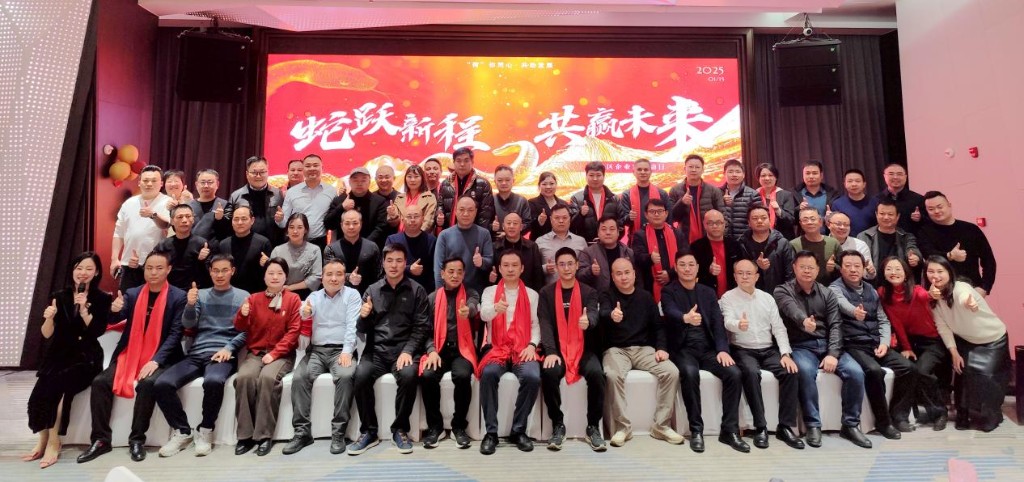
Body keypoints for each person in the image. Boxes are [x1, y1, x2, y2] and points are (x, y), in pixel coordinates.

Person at [78, 251, 186, 463]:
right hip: (130, 352)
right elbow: (115, 318)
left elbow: (175, 334)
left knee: (147, 384)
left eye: (159, 268)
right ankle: (100, 440)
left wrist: (156, 360)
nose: (153, 272)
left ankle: (137, 440)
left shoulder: (178, 297)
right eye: (149, 268)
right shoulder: (133, 293)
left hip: (162, 356)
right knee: (100, 382)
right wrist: (114, 309)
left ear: (168, 270)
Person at [153, 254, 248, 457]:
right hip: (197, 352)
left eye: (224, 270)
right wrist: (189, 304)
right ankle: (182, 431)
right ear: (210, 272)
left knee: (213, 381)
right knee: (162, 384)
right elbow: (188, 324)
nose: (220, 275)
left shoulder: (243, 296)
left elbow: (248, 330)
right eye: (216, 271)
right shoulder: (201, 295)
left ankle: (205, 429)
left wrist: (229, 348)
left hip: (223, 354)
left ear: (232, 271)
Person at [773, 251, 870, 449]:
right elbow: (791, 309)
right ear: (794, 268)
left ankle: (850, 425)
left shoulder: (827, 293)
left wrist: (832, 354)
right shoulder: (782, 291)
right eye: (803, 267)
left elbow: (836, 325)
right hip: (801, 345)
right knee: (805, 372)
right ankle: (813, 425)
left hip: (827, 344)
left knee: (855, 372)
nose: (807, 271)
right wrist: (803, 321)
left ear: (818, 270)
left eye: (811, 267)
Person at [25, 252, 112, 468]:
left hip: (86, 356)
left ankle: (54, 441)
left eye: (89, 269)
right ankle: (43, 438)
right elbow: (47, 334)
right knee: (40, 390)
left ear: (96, 272)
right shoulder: (59, 296)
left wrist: (84, 311)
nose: (83, 273)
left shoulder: (102, 298)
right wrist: (48, 318)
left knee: (58, 387)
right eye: (79, 268)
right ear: (72, 270)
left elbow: (97, 331)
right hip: (59, 354)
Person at [348, 244, 430, 455]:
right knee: (360, 376)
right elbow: (361, 329)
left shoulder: (417, 290)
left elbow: (422, 327)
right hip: (376, 350)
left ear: (405, 263)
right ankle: (369, 431)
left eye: (399, 261)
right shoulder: (372, 290)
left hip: (404, 350)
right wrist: (364, 316)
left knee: (409, 375)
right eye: (390, 260)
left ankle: (400, 429)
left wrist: (408, 351)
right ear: (383, 263)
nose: (394, 265)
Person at [662, 252, 746, 453]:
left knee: (734, 373)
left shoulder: (707, 292)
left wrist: (722, 349)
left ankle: (729, 430)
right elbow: (669, 310)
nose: (687, 268)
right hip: (683, 348)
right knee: (690, 374)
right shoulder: (669, 290)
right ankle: (696, 430)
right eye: (683, 264)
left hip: (708, 348)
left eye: (691, 264)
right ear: (676, 267)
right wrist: (685, 318)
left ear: (698, 267)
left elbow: (717, 322)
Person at [719, 259, 804, 450]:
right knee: (750, 373)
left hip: (768, 349)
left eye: (749, 273)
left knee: (791, 371)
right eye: (740, 273)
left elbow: (779, 328)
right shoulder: (728, 297)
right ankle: (761, 427)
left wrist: (785, 354)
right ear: (734, 276)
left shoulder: (767, 298)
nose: (744, 277)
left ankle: (785, 427)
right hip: (742, 348)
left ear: (757, 276)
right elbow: (727, 321)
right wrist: (737, 325)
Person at [829, 250, 914, 439]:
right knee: (874, 371)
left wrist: (884, 343)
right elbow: (841, 303)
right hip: (853, 344)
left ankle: (898, 415)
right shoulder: (835, 288)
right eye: (848, 266)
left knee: (908, 368)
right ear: (840, 269)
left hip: (875, 343)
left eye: (857, 266)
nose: (853, 270)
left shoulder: (871, 290)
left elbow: (883, 320)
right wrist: (854, 312)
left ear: (863, 268)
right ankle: (883, 423)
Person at [282, 258, 361, 455]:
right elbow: (305, 314)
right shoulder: (314, 296)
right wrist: (305, 313)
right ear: (322, 277)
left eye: (339, 274)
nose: (334, 278)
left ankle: (338, 432)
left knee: (345, 376)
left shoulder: (352, 295)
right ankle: (302, 433)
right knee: (299, 378)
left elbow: (352, 326)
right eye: (329, 274)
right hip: (316, 351)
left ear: (345, 277)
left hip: (341, 350)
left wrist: (347, 351)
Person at [599, 258, 681, 448]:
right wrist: (611, 315)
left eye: (627, 272)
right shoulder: (607, 295)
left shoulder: (645, 297)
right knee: (612, 375)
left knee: (671, 371)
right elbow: (603, 312)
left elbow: (658, 326)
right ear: (612, 277)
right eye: (618, 273)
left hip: (644, 349)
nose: (624, 277)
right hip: (617, 350)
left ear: (634, 274)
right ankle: (622, 428)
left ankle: (661, 426)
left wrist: (661, 348)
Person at [926, 256, 1009, 432]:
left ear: (949, 272)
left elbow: (966, 297)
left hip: (993, 339)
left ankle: (991, 415)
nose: (935, 275)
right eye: (931, 271)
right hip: (967, 340)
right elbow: (943, 327)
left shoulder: (961, 287)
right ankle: (962, 414)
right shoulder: (934, 298)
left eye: (940, 271)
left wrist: (970, 303)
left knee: (987, 378)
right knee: (962, 374)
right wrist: (954, 353)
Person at [538, 247, 606, 452]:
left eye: (570, 264)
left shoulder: (589, 292)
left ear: (577, 266)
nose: (566, 268)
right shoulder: (546, 293)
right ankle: (558, 425)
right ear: (556, 267)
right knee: (549, 372)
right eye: (562, 264)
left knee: (597, 374)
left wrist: (588, 321)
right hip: (557, 348)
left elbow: (593, 313)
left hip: (583, 348)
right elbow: (545, 323)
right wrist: (550, 351)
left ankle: (593, 426)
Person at [232, 258, 301, 456]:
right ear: (264, 277)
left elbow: (294, 332)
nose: (275, 277)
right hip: (255, 353)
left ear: (286, 277)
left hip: (282, 355)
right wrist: (243, 314)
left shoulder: (293, 299)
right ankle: (244, 436)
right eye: (271, 273)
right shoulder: (254, 299)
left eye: (279, 273)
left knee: (268, 379)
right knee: (244, 378)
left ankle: (264, 435)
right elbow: (239, 327)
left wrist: (275, 353)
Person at [478, 250, 541, 455]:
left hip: (523, 348)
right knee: (488, 375)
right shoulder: (490, 292)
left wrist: (532, 345)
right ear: (499, 268)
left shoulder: (532, 294)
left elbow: (535, 325)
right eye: (506, 265)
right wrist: (496, 309)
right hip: (497, 348)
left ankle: (518, 430)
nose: (510, 269)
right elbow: (483, 315)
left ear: (522, 268)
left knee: (532, 377)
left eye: (515, 265)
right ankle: (491, 433)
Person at [877, 256, 949, 431]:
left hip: (932, 341)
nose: (893, 272)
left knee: (923, 371)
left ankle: (939, 413)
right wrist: (907, 347)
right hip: (909, 341)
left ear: (906, 273)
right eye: (889, 269)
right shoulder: (882, 293)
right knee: (907, 370)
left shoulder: (917, 291)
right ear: (883, 273)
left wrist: (932, 294)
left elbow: (928, 296)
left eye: (898, 269)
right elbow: (896, 323)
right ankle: (900, 417)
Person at [419, 257, 480, 450]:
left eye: (460, 272)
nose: (455, 275)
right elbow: (425, 330)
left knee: (462, 376)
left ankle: (458, 426)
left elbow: (473, 306)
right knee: (428, 376)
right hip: (439, 349)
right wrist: (431, 350)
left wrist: (468, 311)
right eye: (451, 271)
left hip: (462, 349)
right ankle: (435, 427)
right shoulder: (432, 298)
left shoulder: (470, 293)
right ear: (442, 274)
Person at [918, 191, 996, 296]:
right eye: (931, 209)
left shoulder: (971, 229)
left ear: (949, 205)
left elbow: (988, 261)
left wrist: (985, 288)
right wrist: (950, 256)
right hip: (940, 292)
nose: (936, 211)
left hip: (971, 290)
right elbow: (929, 255)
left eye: (940, 207)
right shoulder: (924, 232)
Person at [111, 165, 172, 293]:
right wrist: (114, 259)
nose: (149, 184)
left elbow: (166, 225)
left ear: (161, 183)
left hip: (156, 266)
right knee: (126, 300)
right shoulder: (129, 203)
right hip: (129, 263)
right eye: (145, 180)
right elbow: (119, 232)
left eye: (154, 181)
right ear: (139, 182)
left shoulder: (167, 202)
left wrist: (153, 215)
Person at [631, 198, 687, 302]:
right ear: (646, 214)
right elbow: (637, 258)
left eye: (660, 211)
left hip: (676, 282)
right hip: (650, 287)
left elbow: (685, 257)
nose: (656, 214)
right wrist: (650, 258)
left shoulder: (677, 233)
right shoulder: (640, 235)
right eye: (652, 211)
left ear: (666, 214)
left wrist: (670, 273)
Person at [434, 196, 494, 293]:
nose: (466, 214)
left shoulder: (484, 234)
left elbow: (490, 261)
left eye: (470, 210)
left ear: (475, 212)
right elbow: (438, 268)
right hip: (450, 291)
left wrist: (482, 262)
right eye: (462, 210)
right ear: (455, 211)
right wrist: (440, 293)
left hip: (475, 292)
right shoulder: (444, 235)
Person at [279, 154, 336, 248]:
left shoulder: (331, 191)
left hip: (320, 242)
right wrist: (280, 219)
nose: (312, 168)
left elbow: (334, 220)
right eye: (308, 166)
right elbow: (284, 223)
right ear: (303, 169)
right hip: (296, 241)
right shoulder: (291, 192)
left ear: (322, 168)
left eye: (315, 165)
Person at [325, 167, 389, 248]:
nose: (359, 184)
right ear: (349, 182)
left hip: (370, 248)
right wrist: (341, 207)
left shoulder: (379, 201)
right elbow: (329, 224)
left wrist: (365, 245)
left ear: (369, 182)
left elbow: (381, 227)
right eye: (355, 180)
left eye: (363, 180)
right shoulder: (340, 200)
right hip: (343, 248)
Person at [217, 205, 274, 295]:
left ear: (252, 220)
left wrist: (267, 263)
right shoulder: (223, 244)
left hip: (255, 294)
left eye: (244, 219)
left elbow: (271, 271)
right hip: (229, 294)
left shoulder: (263, 243)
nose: (239, 222)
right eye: (236, 219)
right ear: (231, 222)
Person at [737, 205, 794, 294]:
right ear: (749, 222)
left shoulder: (782, 243)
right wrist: (756, 265)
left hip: (778, 294)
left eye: (763, 218)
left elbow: (790, 274)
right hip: (748, 294)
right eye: (755, 218)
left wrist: (784, 294)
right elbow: (737, 271)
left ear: (770, 220)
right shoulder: (741, 243)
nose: (759, 221)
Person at [856, 199, 922, 276]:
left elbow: (912, 249)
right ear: (876, 214)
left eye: (890, 214)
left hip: (898, 279)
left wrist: (915, 257)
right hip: (873, 280)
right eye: (882, 214)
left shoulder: (906, 237)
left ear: (898, 216)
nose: (886, 217)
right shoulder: (864, 236)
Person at [227, 156, 284, 245]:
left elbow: (285, 222)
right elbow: (227, 222)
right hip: (245, 245)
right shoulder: (236, 196)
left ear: (268, 172)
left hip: (272, 244)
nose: (258, 176)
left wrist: (281, 219)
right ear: (247, 174)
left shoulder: (278, 194)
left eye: (262, 172)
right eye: (254, 172)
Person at [324, 210, 381, 296]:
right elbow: (329, 273)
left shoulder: (372, 247)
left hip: (367, 295)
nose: (351, 227)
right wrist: (349, 277)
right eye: (347, 223)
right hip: (338, 295)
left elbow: (379, 275)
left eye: (355, 223)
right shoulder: (331, 249)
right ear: (341, 225)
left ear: (361, 224)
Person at [691, 210, 744, 298]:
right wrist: (708, 270)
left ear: (724, 224)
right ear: (704, 225)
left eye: (718, 223)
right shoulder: (696, 247)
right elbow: (691, 273)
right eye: (710, 223)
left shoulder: (734, 245)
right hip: (706, 296)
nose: (715, 226)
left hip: (733, 296)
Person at [437, 147, 495, 229]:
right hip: (450, 232)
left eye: (466, 161)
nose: (462, 164)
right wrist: (438, 217)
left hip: (474, 233)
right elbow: (440, 207)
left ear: (472, 162)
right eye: (458, 161)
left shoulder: (483, 184)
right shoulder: (445, 184)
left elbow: (485, 216)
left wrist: (480, 235)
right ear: (454, 162)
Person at [155, 203, 209, 290]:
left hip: (195, 291)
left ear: (193, 219)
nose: (184, 220)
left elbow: (210, 273)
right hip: (168, 290)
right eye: (180, 217)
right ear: (172, 221)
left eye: (188, 216)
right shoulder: (163, 245)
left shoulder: (202, 244)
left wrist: (202, 260)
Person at [270, 213, 323, 300]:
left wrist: (290, 288)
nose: (295, 231)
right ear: (287, 230)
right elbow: (271, 275)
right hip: (281, 294)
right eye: (291, 227)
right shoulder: (277, 250)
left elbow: (316, 277)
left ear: (305, 230)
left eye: (299, 227)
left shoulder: (315, 250)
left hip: (306, 295)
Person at [577, 216, 635, 293]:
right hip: (598, 297)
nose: (608, 232)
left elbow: (636, 278)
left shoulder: (628, 252)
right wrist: (590, 271)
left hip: (624, 296)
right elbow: (579, 276)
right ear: (598, 232)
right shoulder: (587, 252)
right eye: (604, 229)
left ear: (618, 232)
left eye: (612, 229)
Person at [619, 158, 672, 240]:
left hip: (659, 238)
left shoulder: (662, 194)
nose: (643, 172)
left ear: (651, 172)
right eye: (639, 169)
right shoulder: (627, 195)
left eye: (646, 170)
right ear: (634, 172)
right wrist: (630, 217)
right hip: (636, 239)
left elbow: (669, 218)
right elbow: (623, 221)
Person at [385, 208, 437, 292]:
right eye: (409, 217)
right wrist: (408, 269)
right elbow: (386, 266)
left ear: (423, 219)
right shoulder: (393, 240)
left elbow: (436, 269)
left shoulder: (431, 240)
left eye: (416, 216)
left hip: (425, 291)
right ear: (402, 220)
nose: (412, 220)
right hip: (397, 290)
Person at [570, 161, 623, 243]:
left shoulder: (614, 199)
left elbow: (621, 225)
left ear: (604, 177)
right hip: (585, 245)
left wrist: (611, 241)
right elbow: (571, 226)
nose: (595, 179)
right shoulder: (576, 198)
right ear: (586, 176)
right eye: (591, 175)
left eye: (598, 175)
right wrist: (580, 214)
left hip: (609, 245)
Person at [535, 204, 588, 286]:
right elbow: (532, 270)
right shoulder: (540, 241)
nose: (561, 221)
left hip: (576, 289)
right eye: (557, 218)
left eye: (564, 218)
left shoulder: (580, 241)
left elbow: (585, 268)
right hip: (550, 290)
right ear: (551, 219)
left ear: (570, 219)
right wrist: (545, 269)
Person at [492, 212, 545, 291]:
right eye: (508, 223)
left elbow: (538, 274)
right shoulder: (495, 247)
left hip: (527, 291)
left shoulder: (532, 247)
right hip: (501, 291)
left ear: (521, 227)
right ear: (503, 226)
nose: (511, 226)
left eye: (515, 223)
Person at [789, 206, 841, 285]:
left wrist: (834, 268)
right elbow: (790, 271)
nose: (809, 222)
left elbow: (843, 268)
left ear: (820, 222)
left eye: (813, 219)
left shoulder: (833, 243)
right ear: (800, 224)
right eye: (805, 220)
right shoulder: (794, 244)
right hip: (802, 287)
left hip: (830, 287)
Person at [873, 163, 925, 234]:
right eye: (891, 174)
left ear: (905, 177)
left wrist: (920, 218)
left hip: (910, 239)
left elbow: (927, 224)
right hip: (883, 239)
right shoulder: (876, 199)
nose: (895, 177)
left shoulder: (918, 199)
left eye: (899, 174)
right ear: (884, 176)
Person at [753, 163, 799, 240]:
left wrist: (778, 211)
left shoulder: (786, 195)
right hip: (758, 237)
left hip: (782, 238)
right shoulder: (754, 195)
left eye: (770, 175)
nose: (767, 178)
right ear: (758, 178)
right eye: (763, 176)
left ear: (776, 177)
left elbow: (791, 220)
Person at [826, 210, 876, 281]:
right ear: (828, 225)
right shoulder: (822, 242)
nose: (842, 227)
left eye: (846, 225)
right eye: (838, 224)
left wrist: (870, 272)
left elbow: (868, 274)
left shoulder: (860, 245)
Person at [528, 171, 576, 240]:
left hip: (561, 241)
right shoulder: (532, 203)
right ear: (539, 186)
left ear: (556, 185)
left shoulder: (564, 204)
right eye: (544, 184)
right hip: (540, 242)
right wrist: (539, 221)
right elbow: (528, 226)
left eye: (551, 184)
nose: (548, 187)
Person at [718, 159, 760, 239]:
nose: (734, 175)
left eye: (738, 172)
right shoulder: (716, 193)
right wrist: (721, 202)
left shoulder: (753, 194)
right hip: (722, 239)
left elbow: (758, 218)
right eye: (730, 172)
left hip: (745, 240)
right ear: (724, 174)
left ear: (743, 175)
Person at [390, 164, 438, 233]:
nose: (412, 180)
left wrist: (416, 235)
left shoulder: (429, 197)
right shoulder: (400, 197)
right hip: (400, 235)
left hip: (420, 236)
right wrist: (392, 215)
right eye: (409, 177)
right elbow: (394, 223)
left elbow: (428, 221)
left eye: (416, 176)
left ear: (422, 179)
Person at [829, 168, 878, 237]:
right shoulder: (837, 204)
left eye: (857, 181)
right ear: (845, 184)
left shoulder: (875, 202)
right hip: (846, 241)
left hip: (870, 240)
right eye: (850, 181)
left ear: (864, 184)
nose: (854, 184)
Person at [188, 169, 230, 242]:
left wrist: (220, 220)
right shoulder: (188, 206)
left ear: (217, 184)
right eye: (203, 182)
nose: (206, 186)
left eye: (210, 182)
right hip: (191, 246)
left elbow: (228, 233)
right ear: (196, 185)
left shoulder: (226, 205)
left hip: (216, 247)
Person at [492, 164, 533, 237]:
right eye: (500, 180)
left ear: (513, 181)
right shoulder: (489, 201)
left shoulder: (522, 201)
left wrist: (510, 233)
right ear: (495, 182)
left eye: (507, 180)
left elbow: (528, 224)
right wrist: (491, 227)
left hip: (516, 242)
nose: (504, 183)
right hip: (494, 241)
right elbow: (482, 223)